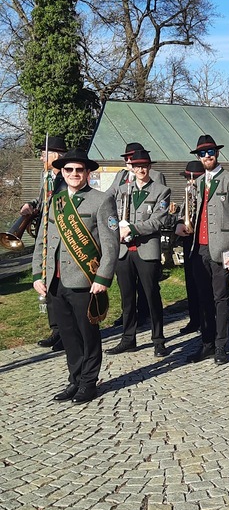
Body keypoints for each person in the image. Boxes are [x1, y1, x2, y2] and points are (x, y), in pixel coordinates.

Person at [31, 148, 119, 403]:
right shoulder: (55, 200)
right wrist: (37, 274)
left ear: (87, 172)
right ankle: (75, 379)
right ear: (63, 172)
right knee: (68, 335)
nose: (74, 173)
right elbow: (43, 241)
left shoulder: (101, 200)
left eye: (79, 169)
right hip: (55, 281)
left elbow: (111, 244)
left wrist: (102, 278)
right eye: (69, 169)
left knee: (87, 335)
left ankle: (88, 383)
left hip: (84, 280)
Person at [188, 134, 229, 365]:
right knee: (203, 298)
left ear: (217, 153)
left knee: (220, 299)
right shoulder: (198, 183)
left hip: (222, 249)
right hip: (199, 248)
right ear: (199, 157)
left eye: (210, 152)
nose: (207, 156)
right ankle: (207, 343)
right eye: (202, 154)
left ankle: (221, 344)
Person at [109, 149, 171, 358]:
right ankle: (128, 338)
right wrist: (115, 229)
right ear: (132, 168)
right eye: (137, 166)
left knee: (152, 296)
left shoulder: (161, 190)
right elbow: (109, 213)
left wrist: (132, 229)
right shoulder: (121, 190)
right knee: (127, 298)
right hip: (124, 251)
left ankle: (158, 340)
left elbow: (158, 221)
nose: (141, 170)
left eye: (144, 166)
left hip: (147, 251)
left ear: (149, 167)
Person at [22, 135, 67, 351]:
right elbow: (42, 200)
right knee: (48, 282)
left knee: (61, 284)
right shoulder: (46, 176)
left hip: (60, 236)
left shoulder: (67, 177)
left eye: (44, 154)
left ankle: (66, 332)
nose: (41, 158)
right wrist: (30, 204)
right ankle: (56, 329)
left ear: (56, 156)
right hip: (45, 236)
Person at [174, 160, 204, 334]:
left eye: (194, 179)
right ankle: (194, 319)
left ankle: (206, 319)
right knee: (190, 282)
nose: (191, 182)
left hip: (202, 241)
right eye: (188, 179)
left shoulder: (204, 194)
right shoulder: (187, 194)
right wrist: (179, 223)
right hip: (188, 239)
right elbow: (182, 214)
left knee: (203, 283)